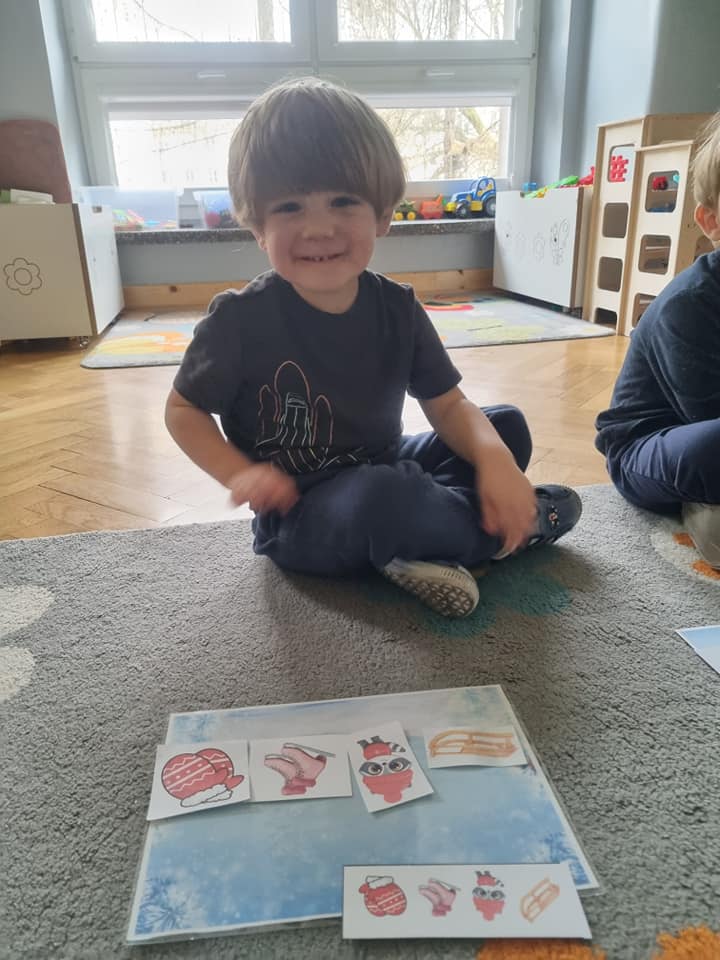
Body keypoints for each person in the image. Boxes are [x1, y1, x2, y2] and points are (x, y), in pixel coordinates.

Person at [165, 77, 582, 618]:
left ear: (383, 215)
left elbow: (449, 405)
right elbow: (183, 411)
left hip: (386, 466)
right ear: (257, 228)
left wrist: (495, 460)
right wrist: (238, 474)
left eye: (343, 201)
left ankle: (422, 544)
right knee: (386, 497)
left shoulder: (397, 308)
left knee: (505, 428)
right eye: (290, 207)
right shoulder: (239, 321)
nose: (319, 227)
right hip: (302, 519)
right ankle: (508, 532)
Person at [596, 113, 720, 568]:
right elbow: (706, 413)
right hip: (648, 448)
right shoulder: (690, 304)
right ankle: (702, 508)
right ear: (711, 221)